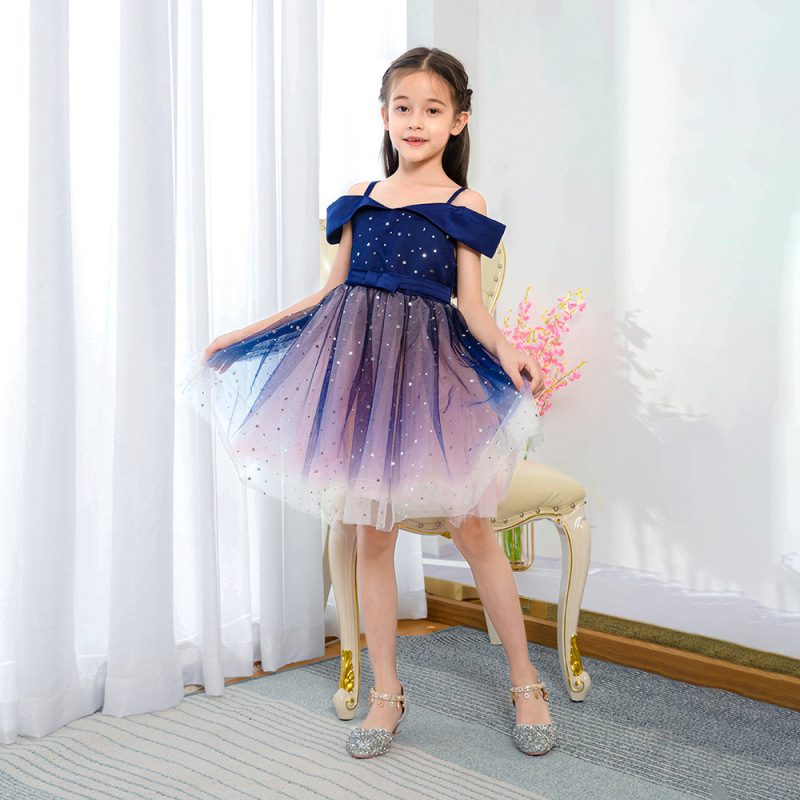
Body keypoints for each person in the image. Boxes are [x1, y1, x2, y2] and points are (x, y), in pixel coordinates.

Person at [195, 47, 556, 759]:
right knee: (373, 536)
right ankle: (385, 694)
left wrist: (510, 350)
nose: (415, 121)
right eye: (403, 107)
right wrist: (246, 333)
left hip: (432, 379)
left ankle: (525, 683)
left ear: (458, 121)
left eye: (432, 109)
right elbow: (330, 293)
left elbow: (472, 307)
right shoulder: (359, 196)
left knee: (473, 528)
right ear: (385, 115)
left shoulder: (464, 206)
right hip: (361, 377)